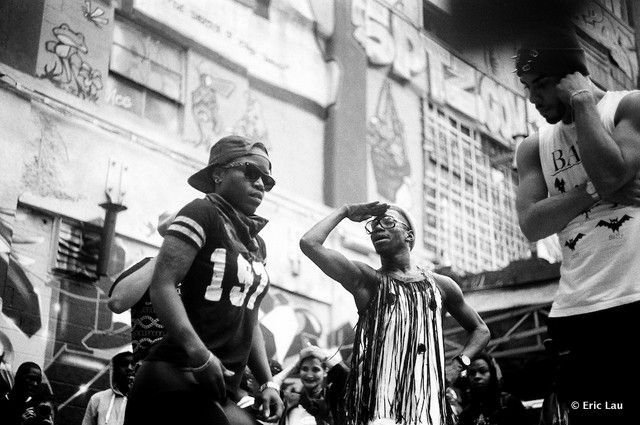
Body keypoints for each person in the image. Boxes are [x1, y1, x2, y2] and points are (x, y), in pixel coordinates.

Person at [514, 25, 640, 424]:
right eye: (528, 87)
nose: (535, 98)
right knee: (592, 415)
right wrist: (593, 193)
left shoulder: (627, 107)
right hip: (576, 311)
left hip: (633, 296)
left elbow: (611, 172)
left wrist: (583, 103)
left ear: (573, 75)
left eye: (544, 84)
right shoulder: (533, 146)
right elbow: (533, 223)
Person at [123, 135, 283, 425]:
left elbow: (251, 316)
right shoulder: (202, 212)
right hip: (178, 371)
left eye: (267, 180)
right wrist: (200, 354)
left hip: (219, 385)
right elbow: (162, 285)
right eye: (251, 172)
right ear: (219, 174)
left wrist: (268, 382)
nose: (260, 184)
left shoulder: (257, 243)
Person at [300, 203, 490, 425]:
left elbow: (481, 330)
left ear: (409, 236)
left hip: (429, 408)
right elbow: (310, 243)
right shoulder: (367, 280)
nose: (378, 228)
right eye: (373, 225)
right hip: (382, 408)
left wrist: (459, 364)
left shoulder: (442, 285)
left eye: (388, 222)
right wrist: (345, 211)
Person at [107, 212, 175, 368]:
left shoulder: (205, 275)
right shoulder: (149, 267)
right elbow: (117, 302)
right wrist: (168, 253)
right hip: (150, 375)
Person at [457, 352, 528, 425]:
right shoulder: (466, 414)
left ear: (492, 373)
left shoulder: (510, 403)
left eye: (482, 371)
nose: (477, 376)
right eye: (472, 373)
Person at [279, 346, 333, 425]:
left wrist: (325, 358)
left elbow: (347, 376)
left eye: (315, 369)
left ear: (325, 371)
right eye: (304, 369)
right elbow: (269, 386)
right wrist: (293, 366)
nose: (309, 375)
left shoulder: (332, 402)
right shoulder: (290, 401)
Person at [82, 351, 134, 425]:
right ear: (115, 370)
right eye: (124, 364)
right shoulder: (98, 399)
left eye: (133, 364)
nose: (129, 368)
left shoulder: (150, 402)